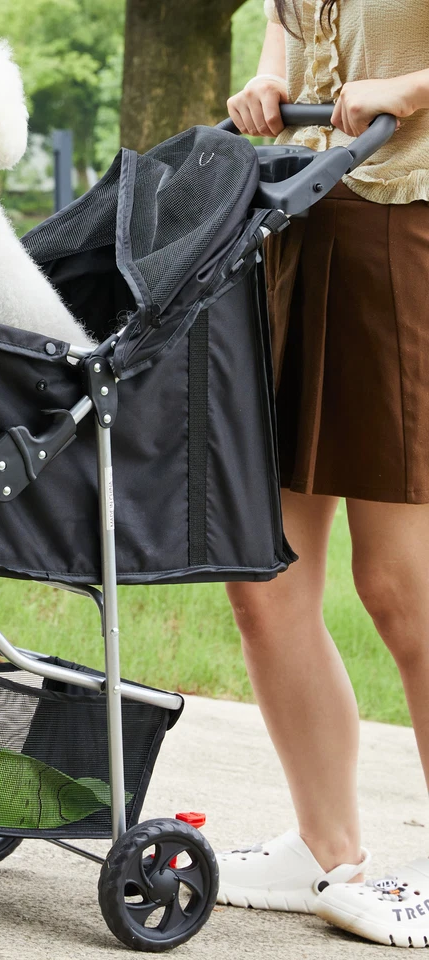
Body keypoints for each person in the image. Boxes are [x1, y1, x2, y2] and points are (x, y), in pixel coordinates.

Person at [216, 0, 429, 948]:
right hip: (306, 219)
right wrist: (270, 86)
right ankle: (322, 846)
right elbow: (291, 39)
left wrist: (414, 86)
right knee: (264, 576)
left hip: (409, 227)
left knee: (401, 586)